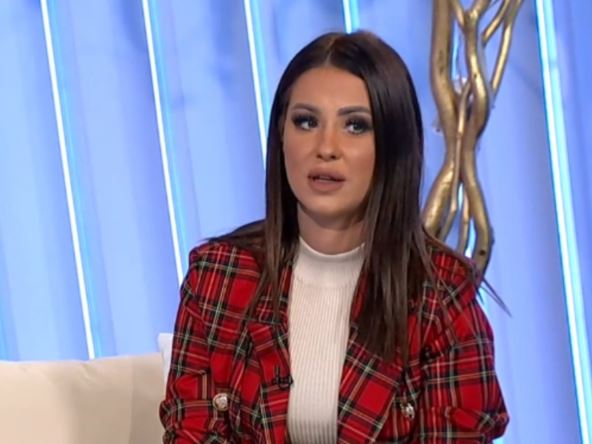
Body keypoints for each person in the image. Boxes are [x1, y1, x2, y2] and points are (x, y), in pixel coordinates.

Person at [159, 30, 508, 443]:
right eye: (306, 122)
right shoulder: (218, 278)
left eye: (355, 126)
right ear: (281, 136)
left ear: (392, 146)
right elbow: (191, 432)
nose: (326, 148)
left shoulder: (442, 299)